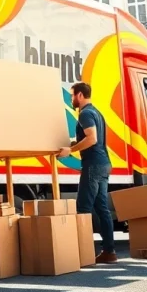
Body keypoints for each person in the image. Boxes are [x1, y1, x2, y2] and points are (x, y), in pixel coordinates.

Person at [58, 81, 116, 264]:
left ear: (80, 95)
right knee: (102, 209)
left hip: (93, 165)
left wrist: (71, 151)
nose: (71, 99)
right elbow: (90, 139)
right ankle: (109, 252)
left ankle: (83, 254)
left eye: (72, 95)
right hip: (103, 164)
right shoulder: (96, 112)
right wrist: (72, 144)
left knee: (83, 207)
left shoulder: (85, 114)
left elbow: (92, 139)